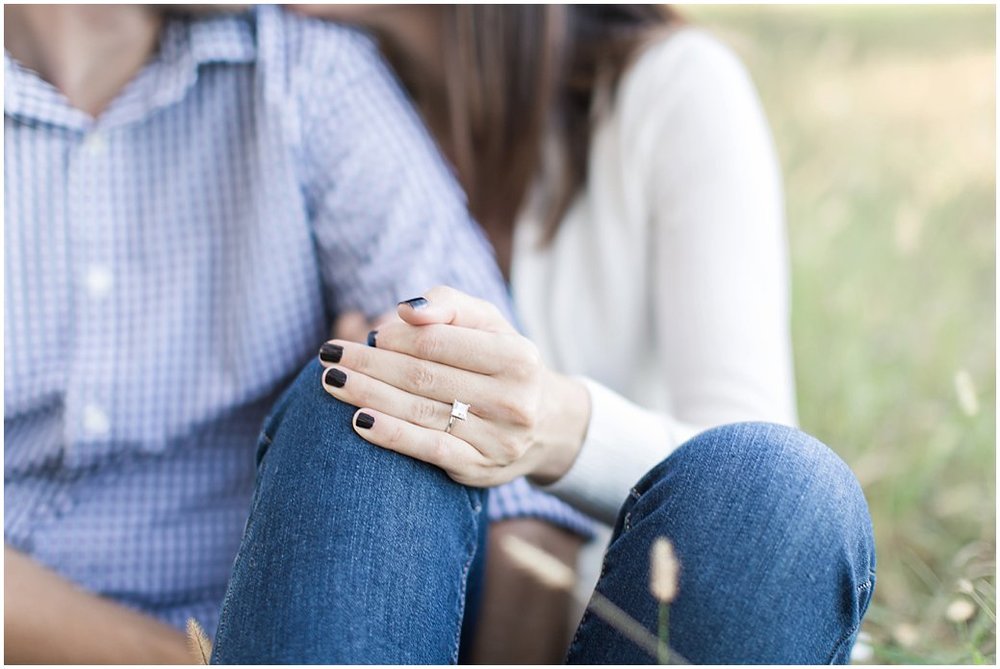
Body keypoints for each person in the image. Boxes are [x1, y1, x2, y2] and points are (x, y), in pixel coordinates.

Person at [209, 4, 877, 664]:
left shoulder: (673, 91)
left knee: (786, 492)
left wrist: (551, 427)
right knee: (369, 396)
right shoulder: (316, 93)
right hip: (412, 602)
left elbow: (757, 480)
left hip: (636, 617)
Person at [2, 4, 592, 663]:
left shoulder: (307, 73)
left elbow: (500, 429)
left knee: (390, 380)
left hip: (315, 623)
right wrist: (210, 659)